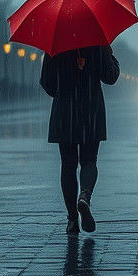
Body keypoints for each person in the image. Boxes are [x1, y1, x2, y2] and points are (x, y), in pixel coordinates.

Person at [39, 44, 120, 235]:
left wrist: (63, 92)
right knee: (89, 161)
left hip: (65, 111)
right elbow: (111, 77)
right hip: (91, 110)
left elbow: (46, 81)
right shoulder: (98, 43)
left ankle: (72, 220)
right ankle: (84, 196)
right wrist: (110, 55)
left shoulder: (55, 44)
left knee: (68, 165)